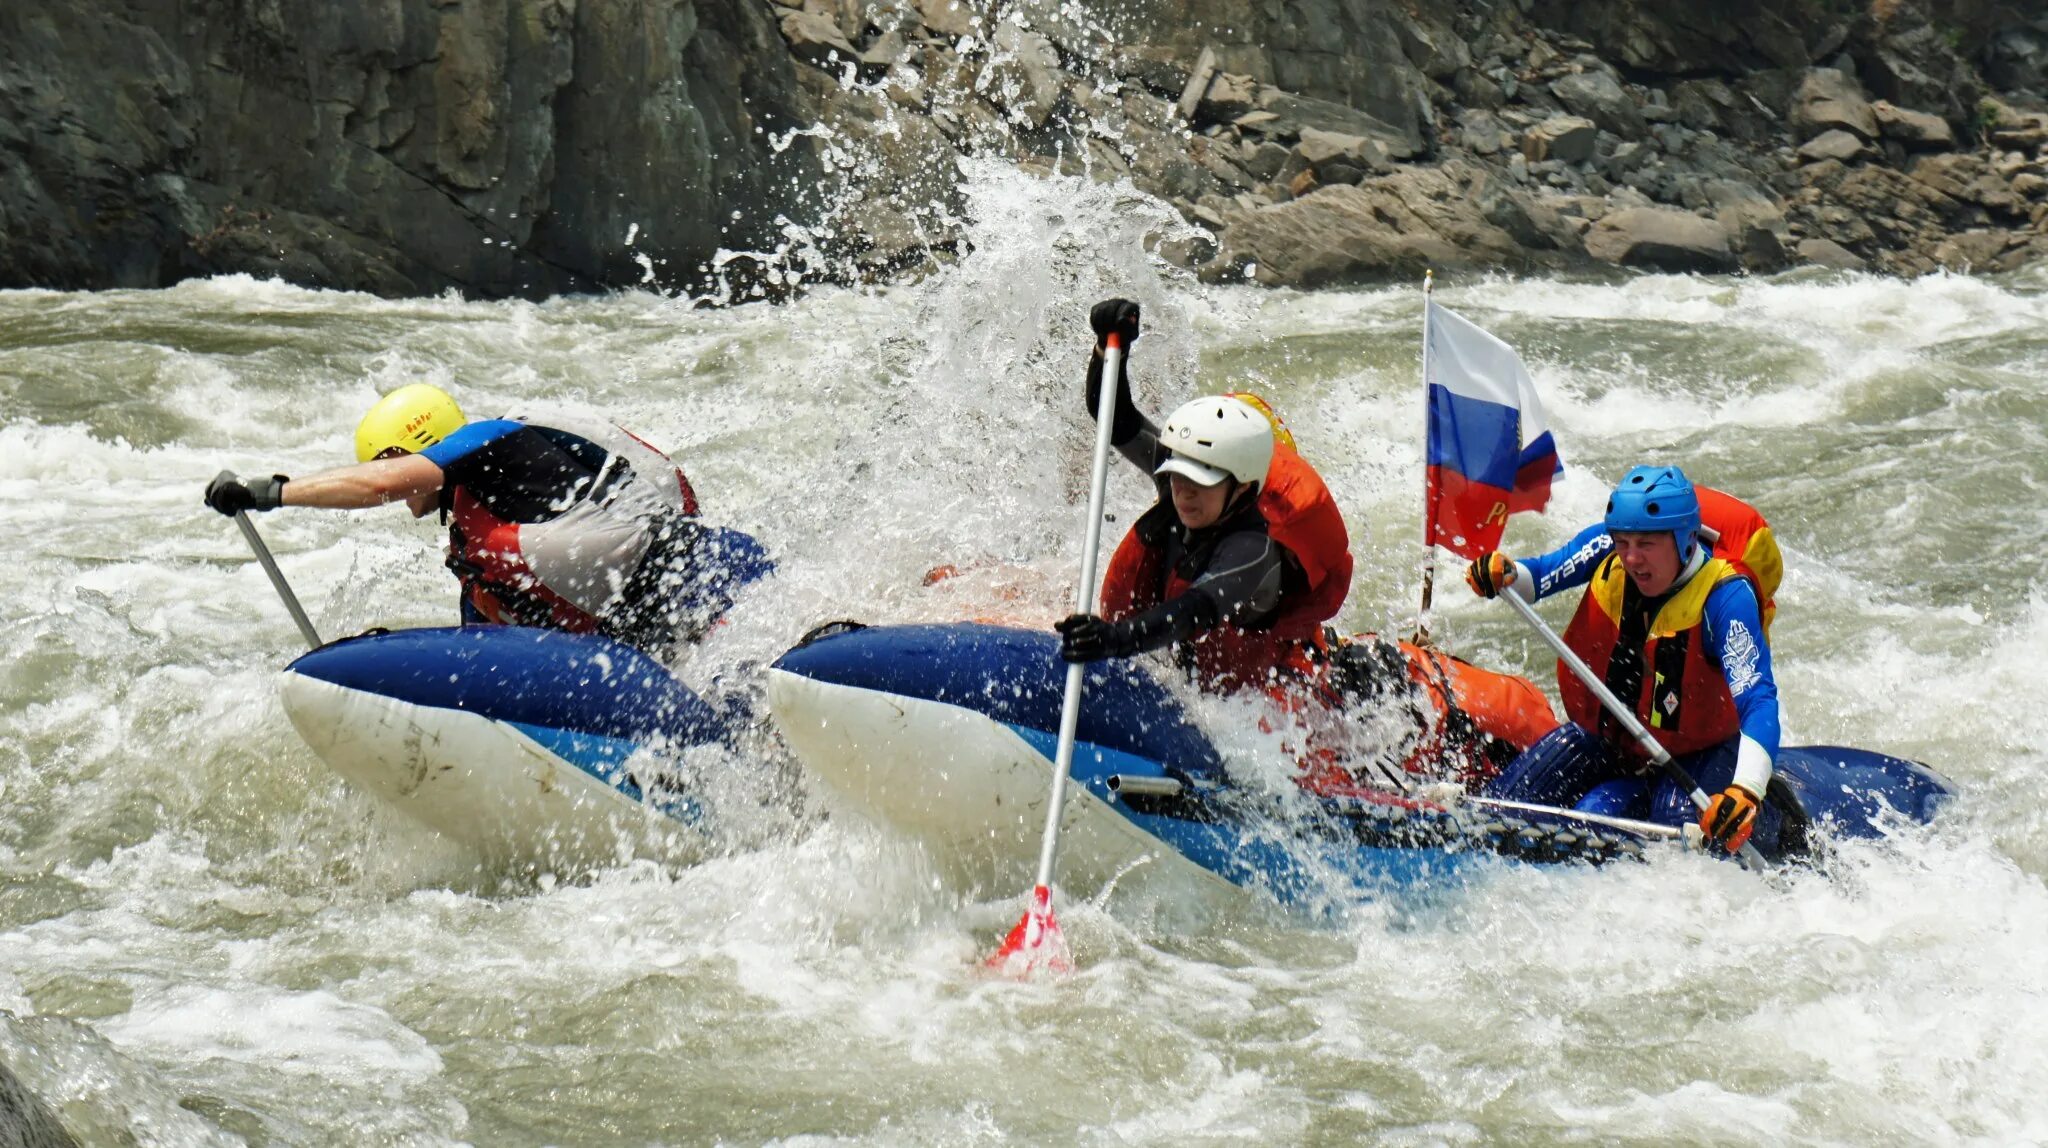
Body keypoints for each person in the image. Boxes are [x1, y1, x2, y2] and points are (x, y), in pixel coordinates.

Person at [203, 383, 772, 657]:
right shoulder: (474, 558)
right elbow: (487, 653)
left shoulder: (491, 440)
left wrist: (270, 493)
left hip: (707, 574)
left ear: (416, 448)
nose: (401, 493)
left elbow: (375, 487)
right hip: (652, 629)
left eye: (391, 462)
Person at [1464, 465, 1784, 855]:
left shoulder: (1726, 597)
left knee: (1672, 826)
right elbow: (1540, 575)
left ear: (1685, 540)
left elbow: (1759, 701)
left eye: (1647, 544)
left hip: (1698, 754)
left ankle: (1772, 817)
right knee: (1501, 807)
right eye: (1624, 542)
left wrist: (1745, 789)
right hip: (1609, 740)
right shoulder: (1606, 548)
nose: (1631, 558)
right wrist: (1505, 574)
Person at [1053, 299, 1354, 694]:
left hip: (1243, 693)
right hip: (1160, 655)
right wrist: (1109, 349)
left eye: (1200, 480)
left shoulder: (1254, 550)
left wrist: (1114, 640)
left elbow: (1194, 611)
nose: (1182, 491)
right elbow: (1114, 415)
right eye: (1177, 475)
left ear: (1243, 487)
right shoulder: (1187, 475)